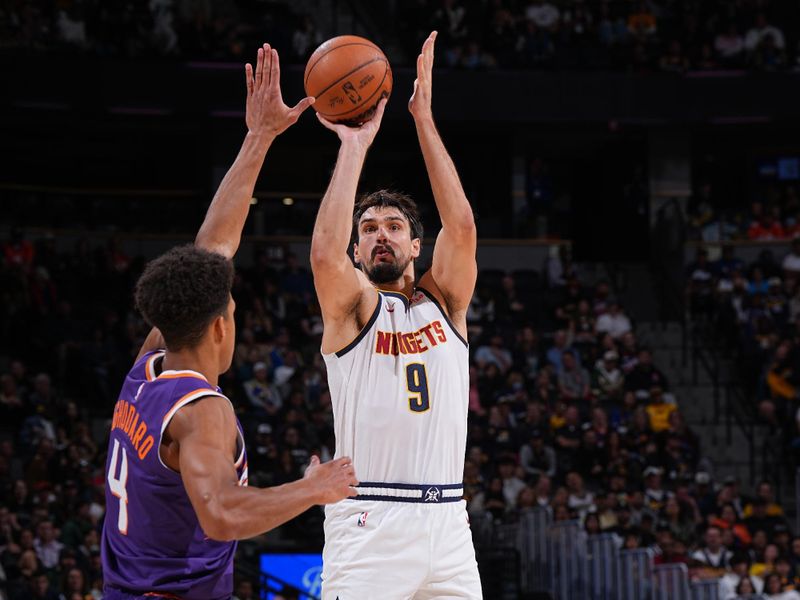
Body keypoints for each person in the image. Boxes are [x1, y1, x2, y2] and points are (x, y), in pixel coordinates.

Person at [100, 44, 358, 600]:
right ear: (220, 326)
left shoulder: (148, 369)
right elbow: (219, 514)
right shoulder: (202, 412)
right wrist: (313, 489)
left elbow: (213, 249)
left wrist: (260, 135)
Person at [310, 31, 482, 599]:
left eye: (394, 228)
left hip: (449, 523)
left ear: (415, 247)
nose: (380, 236)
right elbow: (321, 254)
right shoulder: (353, 311)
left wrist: (423, 121)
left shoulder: (447, 304)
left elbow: (461, 229)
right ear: (357, 252)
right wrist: (354, 147)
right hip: (370, 524)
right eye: (368, 230)